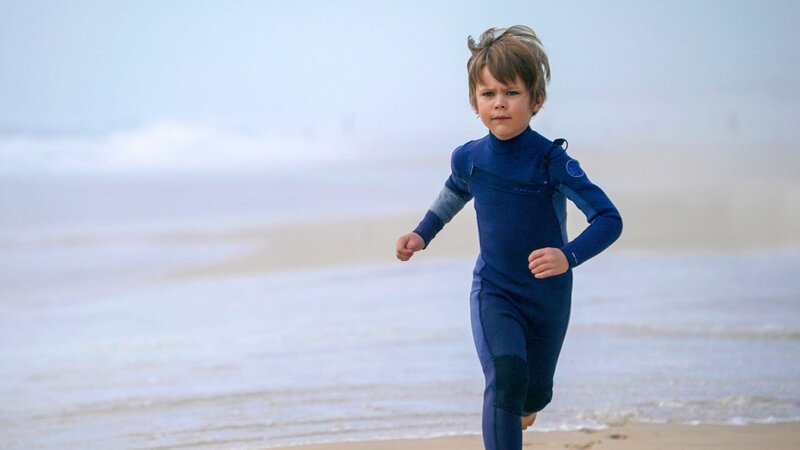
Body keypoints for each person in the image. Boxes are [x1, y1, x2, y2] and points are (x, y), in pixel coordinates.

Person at [395, 25, 623, 450]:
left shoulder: (552, 161)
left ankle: (526, 407)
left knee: (532, 396)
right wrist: (421, 233)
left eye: (511, 93)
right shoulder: (469, 157)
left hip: (548, 296)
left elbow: (609, 219)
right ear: (475, 102)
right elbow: (454, 194)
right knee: (505, 378)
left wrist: (568, 256)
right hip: (495, 289)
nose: (499, 102)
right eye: (488, 94)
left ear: (536, 101)